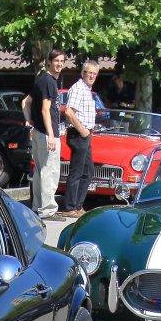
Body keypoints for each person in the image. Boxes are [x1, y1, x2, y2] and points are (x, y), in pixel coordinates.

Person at [26, 49, 66, 218]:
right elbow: (45, 109)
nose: (59, 64)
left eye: (62, 61)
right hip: (47, 134)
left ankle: (37, 206)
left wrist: (29, 121)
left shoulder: (41, 79)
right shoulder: (49, 82)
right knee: (49, 172)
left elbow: (25, 102)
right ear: (50, 61)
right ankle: (48, 210)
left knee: (40, 171)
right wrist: (51, 134)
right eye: (56, 61)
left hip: (38, 133)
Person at [59, 61, 100, 218]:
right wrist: (82, 130)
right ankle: (69, 207)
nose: (91, 76)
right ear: (83, 73)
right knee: (77, 172)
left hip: (85, 134)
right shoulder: (77, 88)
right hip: (78, 134)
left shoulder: (87, 90)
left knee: (88, 172)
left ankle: (77, 205)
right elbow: (69, 112)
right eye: (89, 73)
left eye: (94, 74)